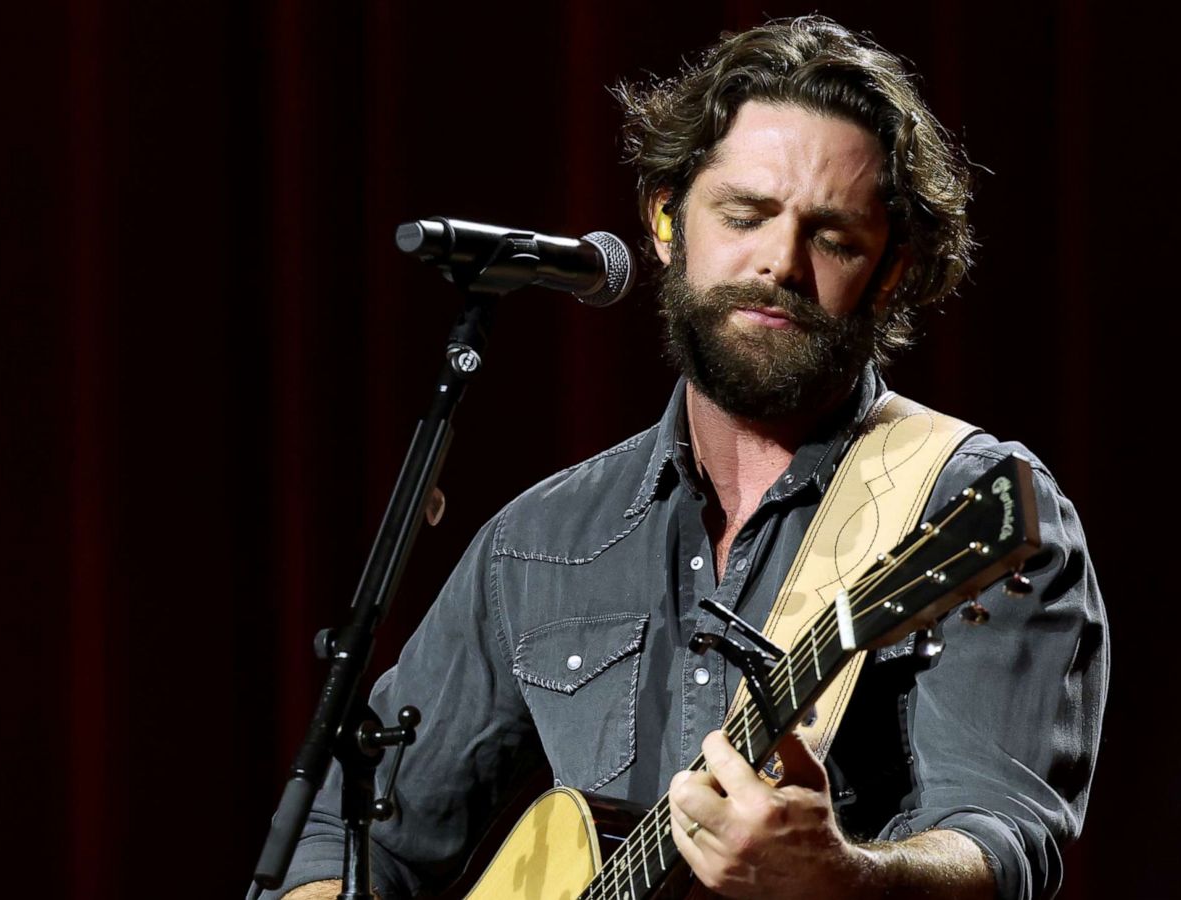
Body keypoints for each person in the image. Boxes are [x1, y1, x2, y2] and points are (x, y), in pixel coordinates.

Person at [268, 16, 1107, 900]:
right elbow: (349, 837)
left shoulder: (962, 502)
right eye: (744, 215)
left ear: (891, 271)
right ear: (666, 221)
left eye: (832, 239)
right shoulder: (542, 541)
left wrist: (843, 877)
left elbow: (1005, 844)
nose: (779, 262)